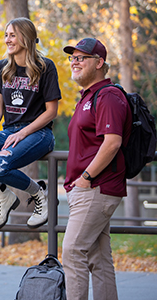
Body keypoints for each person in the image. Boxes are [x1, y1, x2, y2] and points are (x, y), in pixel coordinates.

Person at [0, 17, 61, 229]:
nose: (7, 39)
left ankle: (39, 195)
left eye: (12, 35)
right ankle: (2, 195)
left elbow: (52, 111)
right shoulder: (1, 68)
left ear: (26, 37)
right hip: (9, 132)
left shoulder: (46, 67)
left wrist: (23, 133)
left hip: (39, 134)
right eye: (6, 35)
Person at [62, 38, 132, 300]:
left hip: (96, 187)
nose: (74, 62)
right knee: (98, 259)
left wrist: (85, 178)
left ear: (99, 63)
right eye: (73, 58)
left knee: (72, 252)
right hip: (88, 189)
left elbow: (112, 142)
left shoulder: (109, 96)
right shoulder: (88, 97)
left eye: (82, 58)